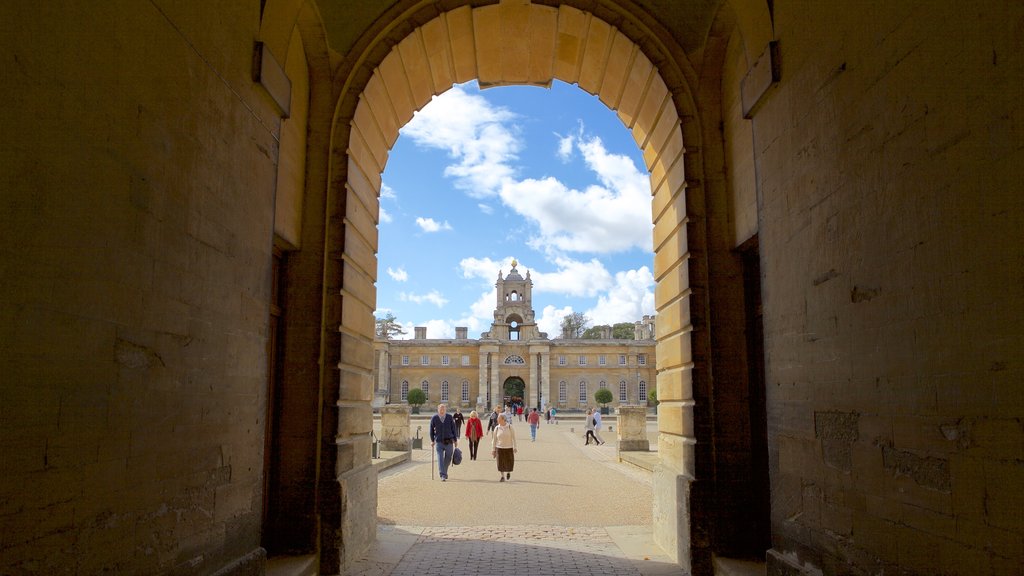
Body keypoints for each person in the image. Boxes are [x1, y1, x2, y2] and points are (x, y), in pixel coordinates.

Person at [429, 403, 459, 481]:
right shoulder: (434, 418)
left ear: (445, 409)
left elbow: (454, 429)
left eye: (443, 409)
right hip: (439, 442)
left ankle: (444, 472)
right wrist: (432, 440)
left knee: (448, 458)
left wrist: (455, 440)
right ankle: (442, 475)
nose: (442, 410)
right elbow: (431, 430)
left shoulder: (449, 417)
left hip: (449, 441)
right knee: (440, 458)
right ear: (438, 409)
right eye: (440, 409)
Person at [491, 413, 517, 482]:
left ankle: (508, 472)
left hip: (509, 447)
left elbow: (514, 438)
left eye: (498, 419)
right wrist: (493, 449)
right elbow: (494, 439)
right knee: (500, 463)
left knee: (509, 462)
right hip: (499, 447)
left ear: (503, 419)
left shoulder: (510, 427)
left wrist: (515, 447)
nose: (497, 420)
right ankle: (502, 476)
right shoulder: (496, 428)